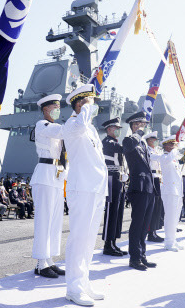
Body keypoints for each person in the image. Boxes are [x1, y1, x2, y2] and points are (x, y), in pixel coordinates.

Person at [63, 84, 108, 306]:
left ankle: (84, 281)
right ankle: (73, 287)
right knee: (79, 238)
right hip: (81, 188)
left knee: (89, 239)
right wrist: (86, 108)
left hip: (96, 188)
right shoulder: (72, 125)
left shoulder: (89, 129)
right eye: (90, 102)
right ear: (80, 104)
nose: (94, 106)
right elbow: (80, 123)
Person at [29, 94, 67, 278]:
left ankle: (50, 259)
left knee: (55, 221)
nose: (58, 110)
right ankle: (40, 263)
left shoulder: (57, 128)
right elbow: (60, 131)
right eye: (54, 107)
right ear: (45, 109)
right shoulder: (42, 125)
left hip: (57, 176)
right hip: (44, 174)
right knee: (44, 220)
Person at [122, 111, 157, 271]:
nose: (142, 127)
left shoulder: (142, 144)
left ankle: (142, 255)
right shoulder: (129, 140)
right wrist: (138, 133)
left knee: (145, 225)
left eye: (142, 124)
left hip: (149, 188)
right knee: (137, 224)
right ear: (133, 126)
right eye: (138, 124)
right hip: (138, 188)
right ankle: (134, 258)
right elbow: (128, 146)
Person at [101, 117, 129, 256]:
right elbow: (123, 149)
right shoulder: (107, 142)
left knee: (118, 213)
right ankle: (107, 243)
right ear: (109, 129)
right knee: (111, 212)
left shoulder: (114, 142)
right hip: (111, 178)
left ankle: (113, 242)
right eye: (116, 129)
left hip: (119, 179)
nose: (118, 131)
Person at [152, 136, 184, 252]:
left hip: (177, 192)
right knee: (170, 217)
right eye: (171, 144)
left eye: (174, 144)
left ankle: (173, 240)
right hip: (170, 191)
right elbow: (169, 158)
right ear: (165, 146)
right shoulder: (164, 157)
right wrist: (176, 149)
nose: (174, 146)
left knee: (175, 217)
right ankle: (168, 242)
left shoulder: (173, 159)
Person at [143, 131, 164, 243]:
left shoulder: (156, 151)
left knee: (158, 208)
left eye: (156, 140)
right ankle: (151, 232)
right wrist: (165, 155)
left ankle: (154, 231)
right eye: (153, 140)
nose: (156, 142)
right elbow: (156, 158)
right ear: (149, 141)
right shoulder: (148, 151)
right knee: (153, 206)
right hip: (153, 178)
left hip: (159, 179)